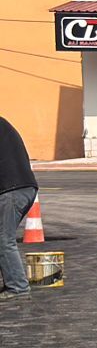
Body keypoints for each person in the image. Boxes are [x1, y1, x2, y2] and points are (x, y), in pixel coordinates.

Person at [0, 113, 38, 303]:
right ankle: (13, 282)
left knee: (3, 240)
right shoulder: (3, 124)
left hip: (12, 190)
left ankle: (18, 287)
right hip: (24, 188)